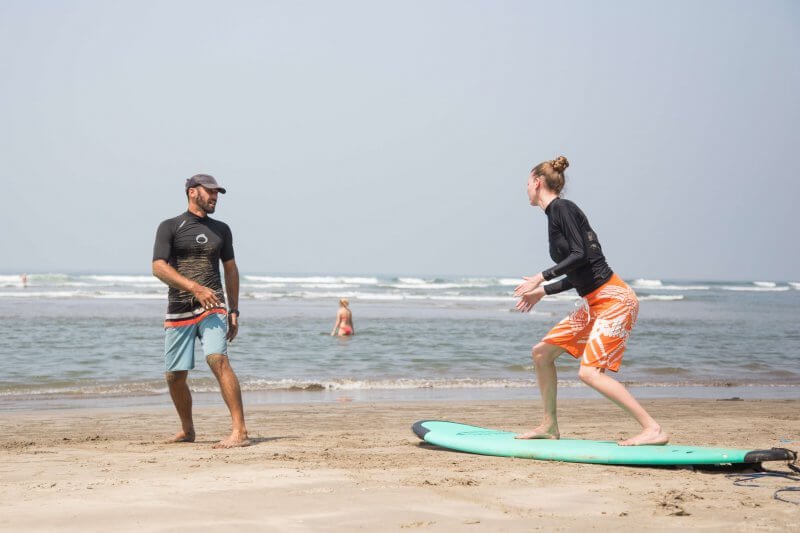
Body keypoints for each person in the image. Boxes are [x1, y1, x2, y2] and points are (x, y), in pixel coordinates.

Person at [513, 156, 668, 446]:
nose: (525, 189)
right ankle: (549, 425)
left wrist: (540, 277)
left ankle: (653, 429)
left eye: (527, 183)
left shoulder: (562, 209)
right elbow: (580, 271)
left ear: (537, 182)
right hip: (595, 303)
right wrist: (542, 292)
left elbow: (580, 255)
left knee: (589, 373)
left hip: (615, 300)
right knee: (541, 353)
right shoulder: (557, 215)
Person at [152, 173, 250, 448]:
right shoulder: (170, 226)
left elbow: (230, 269)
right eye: (210, 191)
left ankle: (240, 431)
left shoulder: (222, 230)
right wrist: (194, 288)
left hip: (213, 305)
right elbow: (158, 267)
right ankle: (187, 430)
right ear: (192, 192)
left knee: (217, 359)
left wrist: (234, 310)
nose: (215, 197)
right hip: (179, 307)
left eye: (217, 192)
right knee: (174, 375)